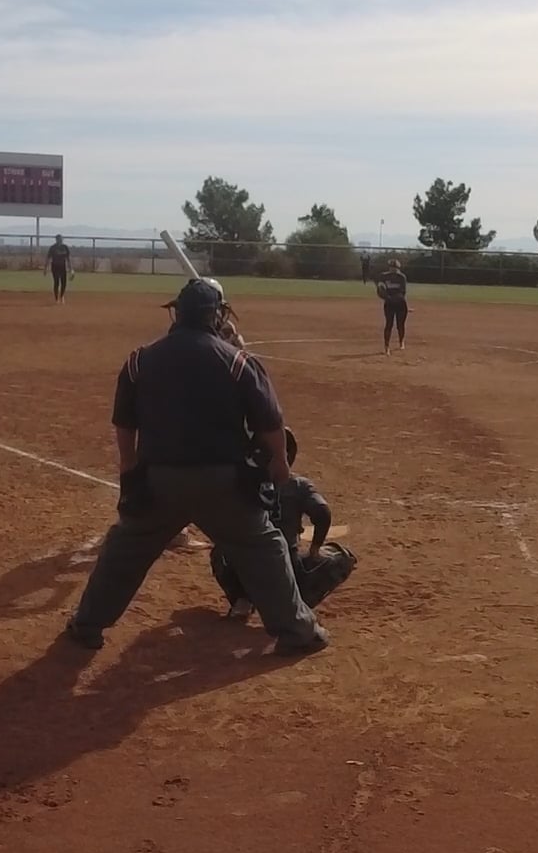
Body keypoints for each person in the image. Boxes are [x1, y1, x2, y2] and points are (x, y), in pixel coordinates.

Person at [64, 277, 327, 655]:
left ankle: (87, 626)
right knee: (262, 547)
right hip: (225, 483)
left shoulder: (140, 360)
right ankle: (298, 631)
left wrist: (130, 469)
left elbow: (124, 423)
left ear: (177, 313)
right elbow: (271, 423)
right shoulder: (238, 362)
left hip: (159, 480)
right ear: (216, 315)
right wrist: (281, 467)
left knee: (125, 550)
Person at [213, 427, 357, 620]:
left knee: (221, 551)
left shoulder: (242, 483)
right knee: (343, 556)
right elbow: (322, 513)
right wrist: (315, 550)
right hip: (287, 566)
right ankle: (296, 603)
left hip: (248, 566)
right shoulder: (299, 485)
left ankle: (242, 599)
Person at [376, 259, 409, 354]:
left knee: (400, 324)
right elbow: (380, 290)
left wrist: (393, 298)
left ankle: (401, 341)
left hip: (400, 303)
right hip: (389, 304)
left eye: (395, 267)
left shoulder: (401, 277)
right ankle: (386, 346)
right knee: (389, 324)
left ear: (398, 268)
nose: (393, 269)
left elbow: (403, 292)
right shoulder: (383, 276)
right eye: (391, 267)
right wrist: (386, 297)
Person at [45, 235, 73, 303]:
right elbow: (48, 258)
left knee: (64, 283)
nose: (60, 240)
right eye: (59, 239)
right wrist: (45, 268)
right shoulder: (53, 248)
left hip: (62, 267)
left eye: (61, 239)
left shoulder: (65, 247)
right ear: (56, 240)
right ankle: (56, 298)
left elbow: (68, 259)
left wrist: (71, 269)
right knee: (56, 282)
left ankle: (62, 296)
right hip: (55, 267)